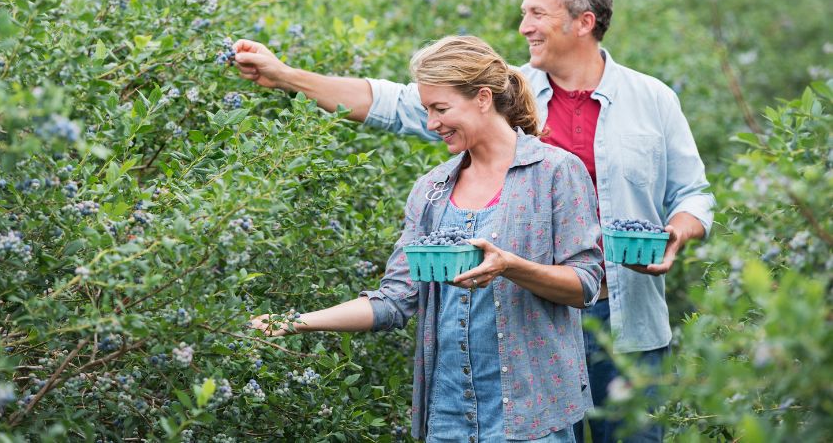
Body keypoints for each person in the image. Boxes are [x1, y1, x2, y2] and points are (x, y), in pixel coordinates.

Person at [234, 0, 715, 442]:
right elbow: (393, 103)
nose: (523, 26)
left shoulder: (647, 101)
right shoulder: (492, 109)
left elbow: (692, 194)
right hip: (515, 330)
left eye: (537, 14)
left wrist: (676, 232)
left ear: (583, 22)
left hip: (621, 311)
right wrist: (286, 76)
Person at [250, 35, 604, 442]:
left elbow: (585, 285)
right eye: (426, 111)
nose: (432, 123)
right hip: (450, 412)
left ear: (483, 98)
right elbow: (395, 300)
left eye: (441, 109)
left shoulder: (555, 172)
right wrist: (293, 323)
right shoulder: (433, 189)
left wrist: (510, 266)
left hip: (532, 414)